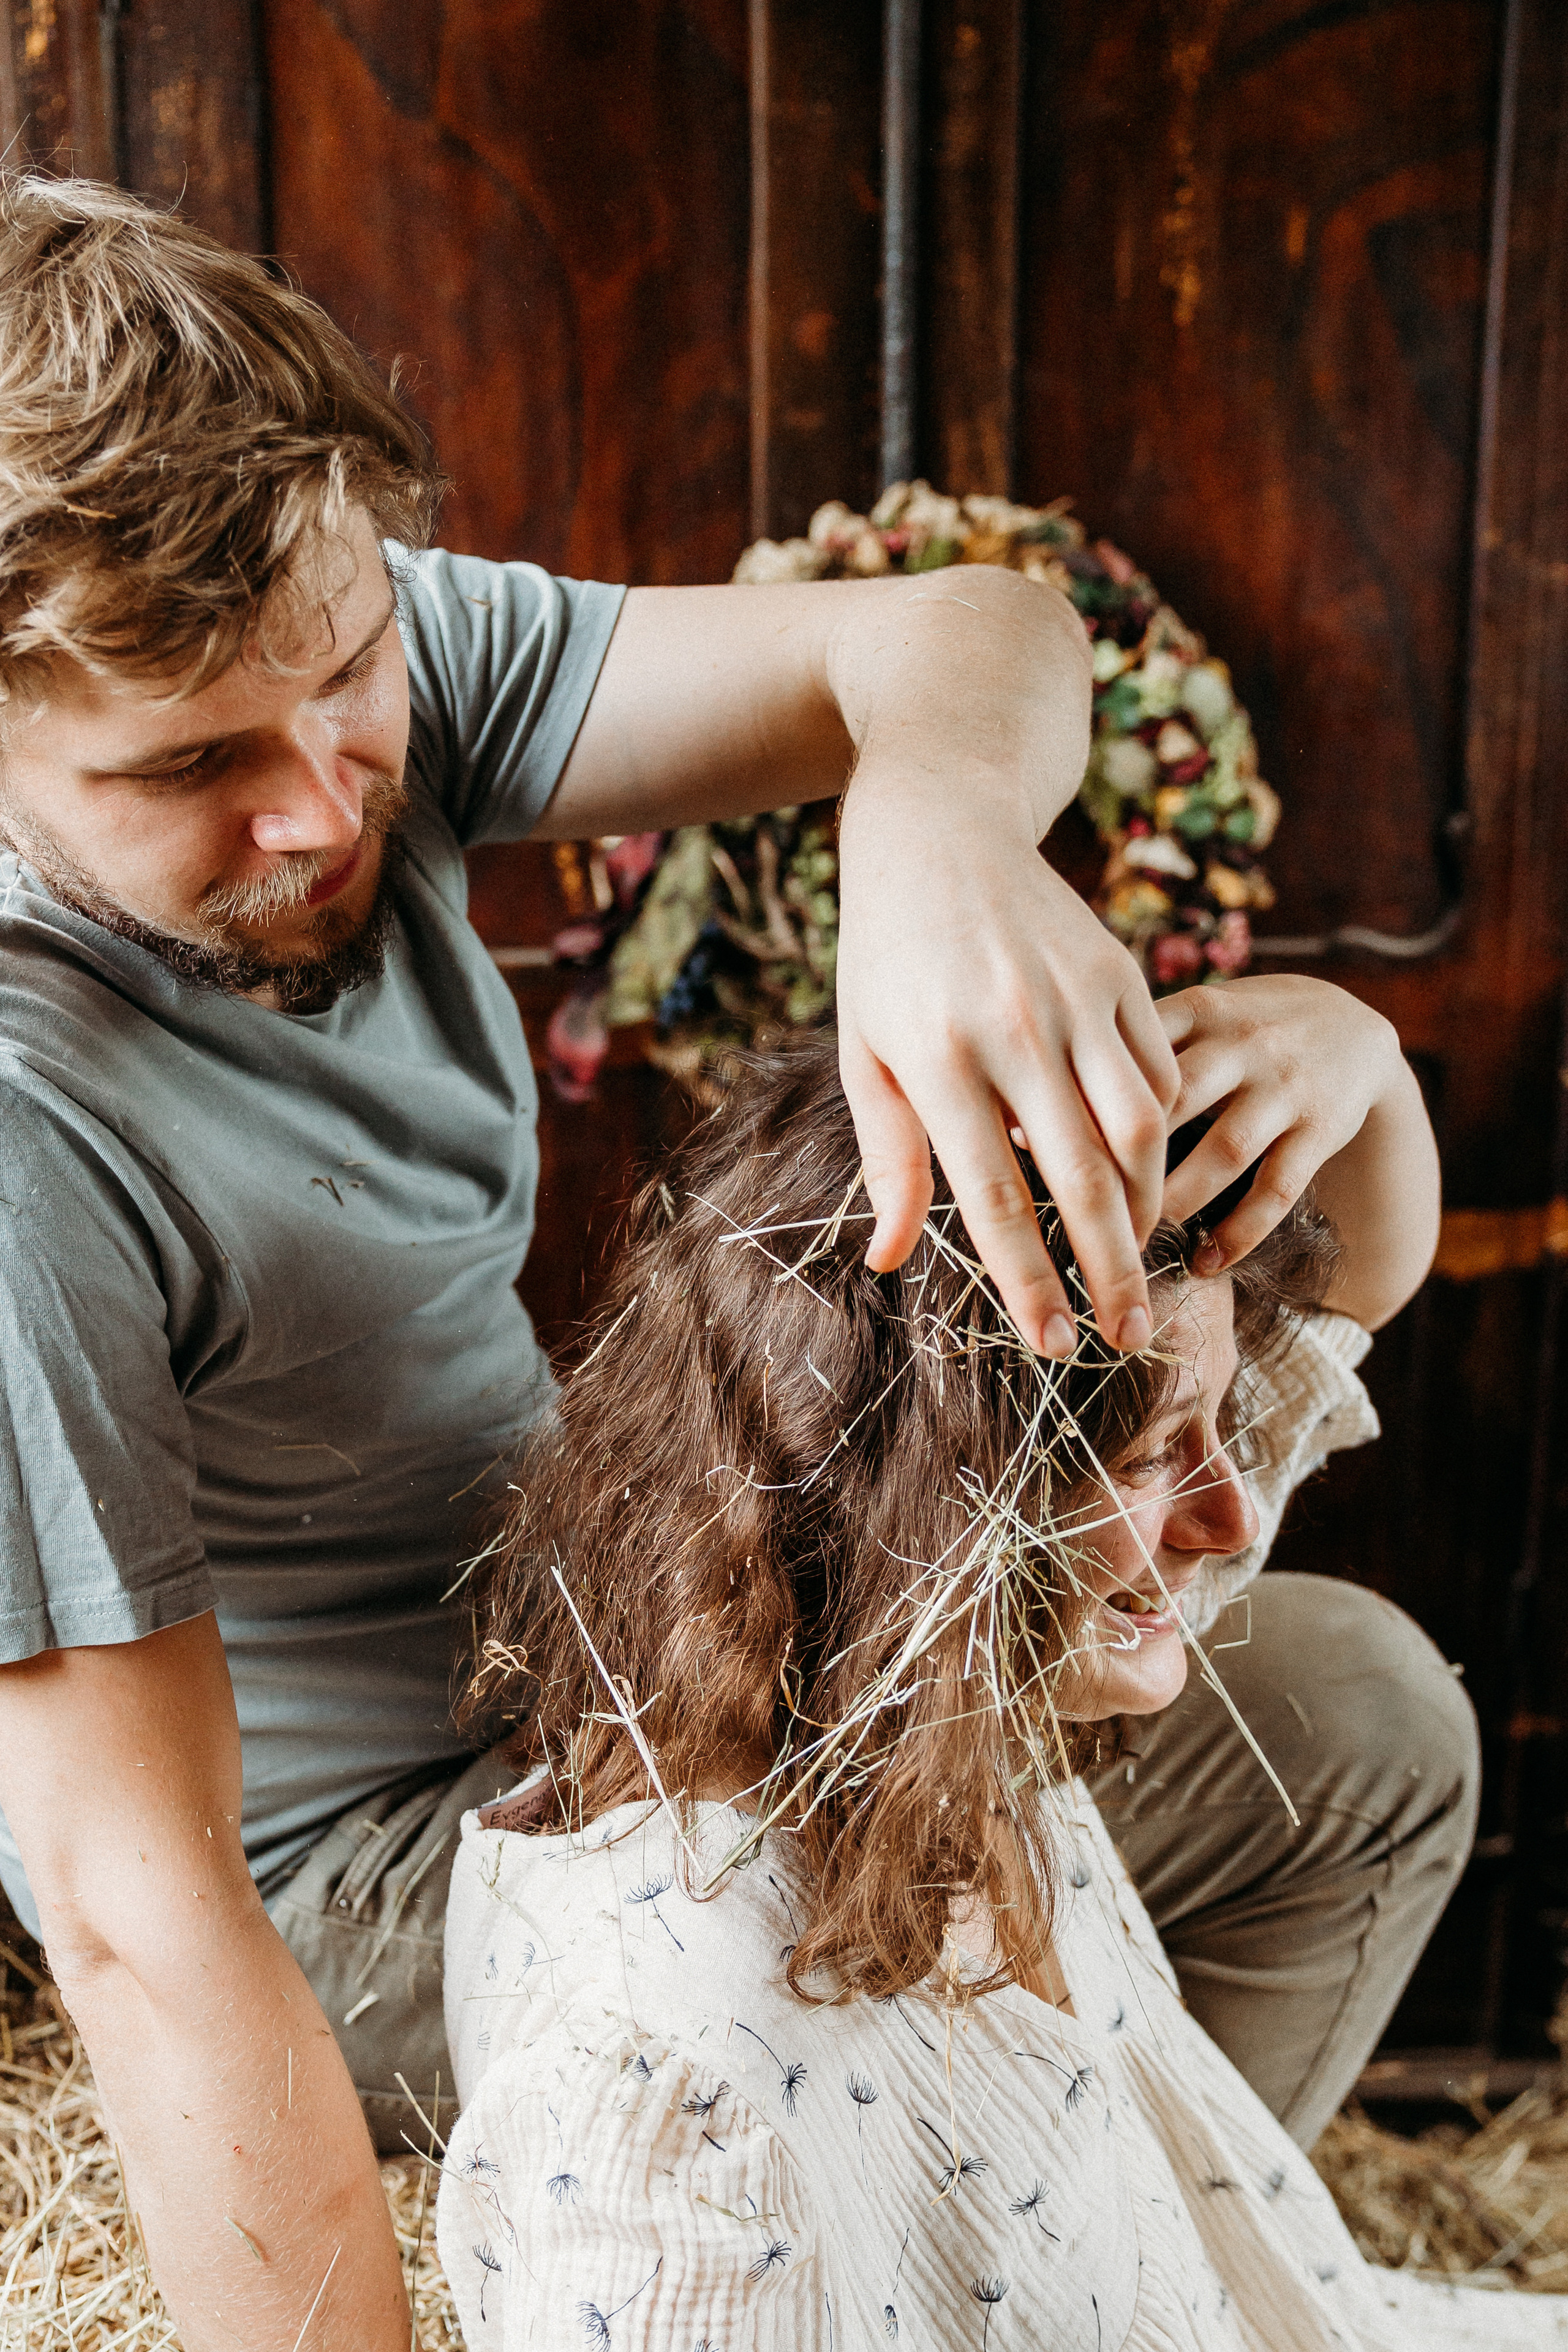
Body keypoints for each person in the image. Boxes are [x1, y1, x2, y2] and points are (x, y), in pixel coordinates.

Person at [0, 168, 1466, 2348]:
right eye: (193, 769)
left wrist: (935, 828)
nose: (325, 811)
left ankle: (1079, 2289)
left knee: (1356, 1723)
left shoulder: (331, 658)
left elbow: (974, 632)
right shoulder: (28, 1135)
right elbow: (145, 1913)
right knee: (746, 1958)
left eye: (351, 680)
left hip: (646, 1644)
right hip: (384, 1857)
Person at [435, 1016, 1531, 2350]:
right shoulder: (663, 2093)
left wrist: (1349, 1048)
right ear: (920, 1503)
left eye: (1216, 1426)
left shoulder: (937, 1675)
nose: (1229, 1519)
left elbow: (1365, 1270)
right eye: (1145, 1458)